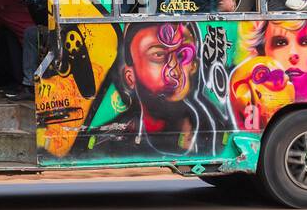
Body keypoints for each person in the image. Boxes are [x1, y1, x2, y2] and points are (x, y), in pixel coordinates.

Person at [82, 22, 231, 157]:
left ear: (193, 66)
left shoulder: (219, 130)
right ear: (130, 77)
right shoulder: (106, 140)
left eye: (182, 55)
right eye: (158, 55)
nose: (173, 71)